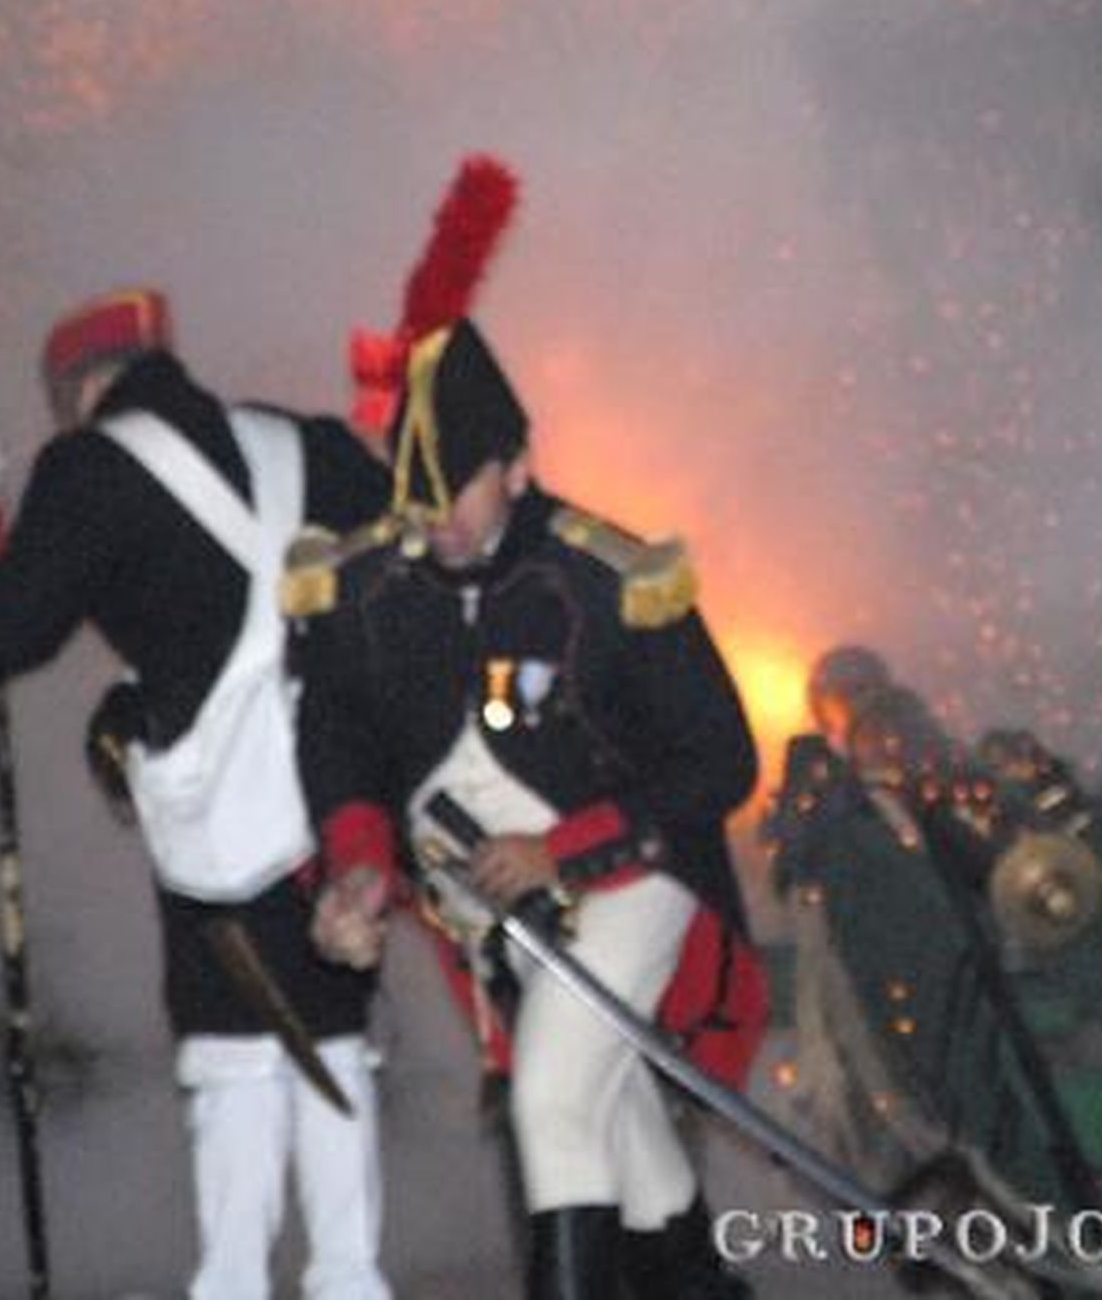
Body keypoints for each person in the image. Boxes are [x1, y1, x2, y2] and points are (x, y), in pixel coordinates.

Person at [0, 287, 393, 1300]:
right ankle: (351, 1277)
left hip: (221, 807)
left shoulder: (88, 466)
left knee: (233, 1059)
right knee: (337, 1043)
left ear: (81, 388)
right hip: (336, 793)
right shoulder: (295, 440)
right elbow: (384, 533)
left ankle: (230, 1281)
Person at [289, 319, 767, 1300]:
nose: (440, 522)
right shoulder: (363, 583)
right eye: (418, 496)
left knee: (551, 1097)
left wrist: (565, 848)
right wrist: (358, 867)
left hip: (635, 874)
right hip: (489, 909)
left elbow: (721, 758)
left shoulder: (605, 576)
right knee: (615, 1110)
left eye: (460, 486)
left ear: (517, 463)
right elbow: (339, 741)